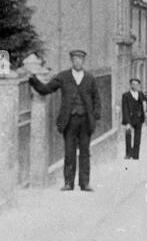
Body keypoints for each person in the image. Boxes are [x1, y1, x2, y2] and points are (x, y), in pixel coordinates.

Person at [29, 49, 101, 191]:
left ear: (83, 61)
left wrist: (95, 115)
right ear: (71, 61)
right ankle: (68, 183)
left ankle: (84, 183)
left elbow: (96, 99)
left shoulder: (90, 78)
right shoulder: (63, 77)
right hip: (69, 121)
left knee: (85, 153)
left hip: (85, 121)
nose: (77, 62)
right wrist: (33, 80)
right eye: (75, 59)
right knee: (69, 152)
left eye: (80, 59)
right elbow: (45, 89)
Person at [121, 77, 147, 160]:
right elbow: (124, 109)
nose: (135, 86)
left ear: (139, 85)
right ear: (130, 85)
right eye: (133, 84)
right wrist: (127, 122)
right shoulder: (126, 95)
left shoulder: (140, 94)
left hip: (139, 119)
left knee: (137, 139)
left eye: (137, 84)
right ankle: (128, 153)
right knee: (128, 135)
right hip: (130, 118)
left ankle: (136, 156)